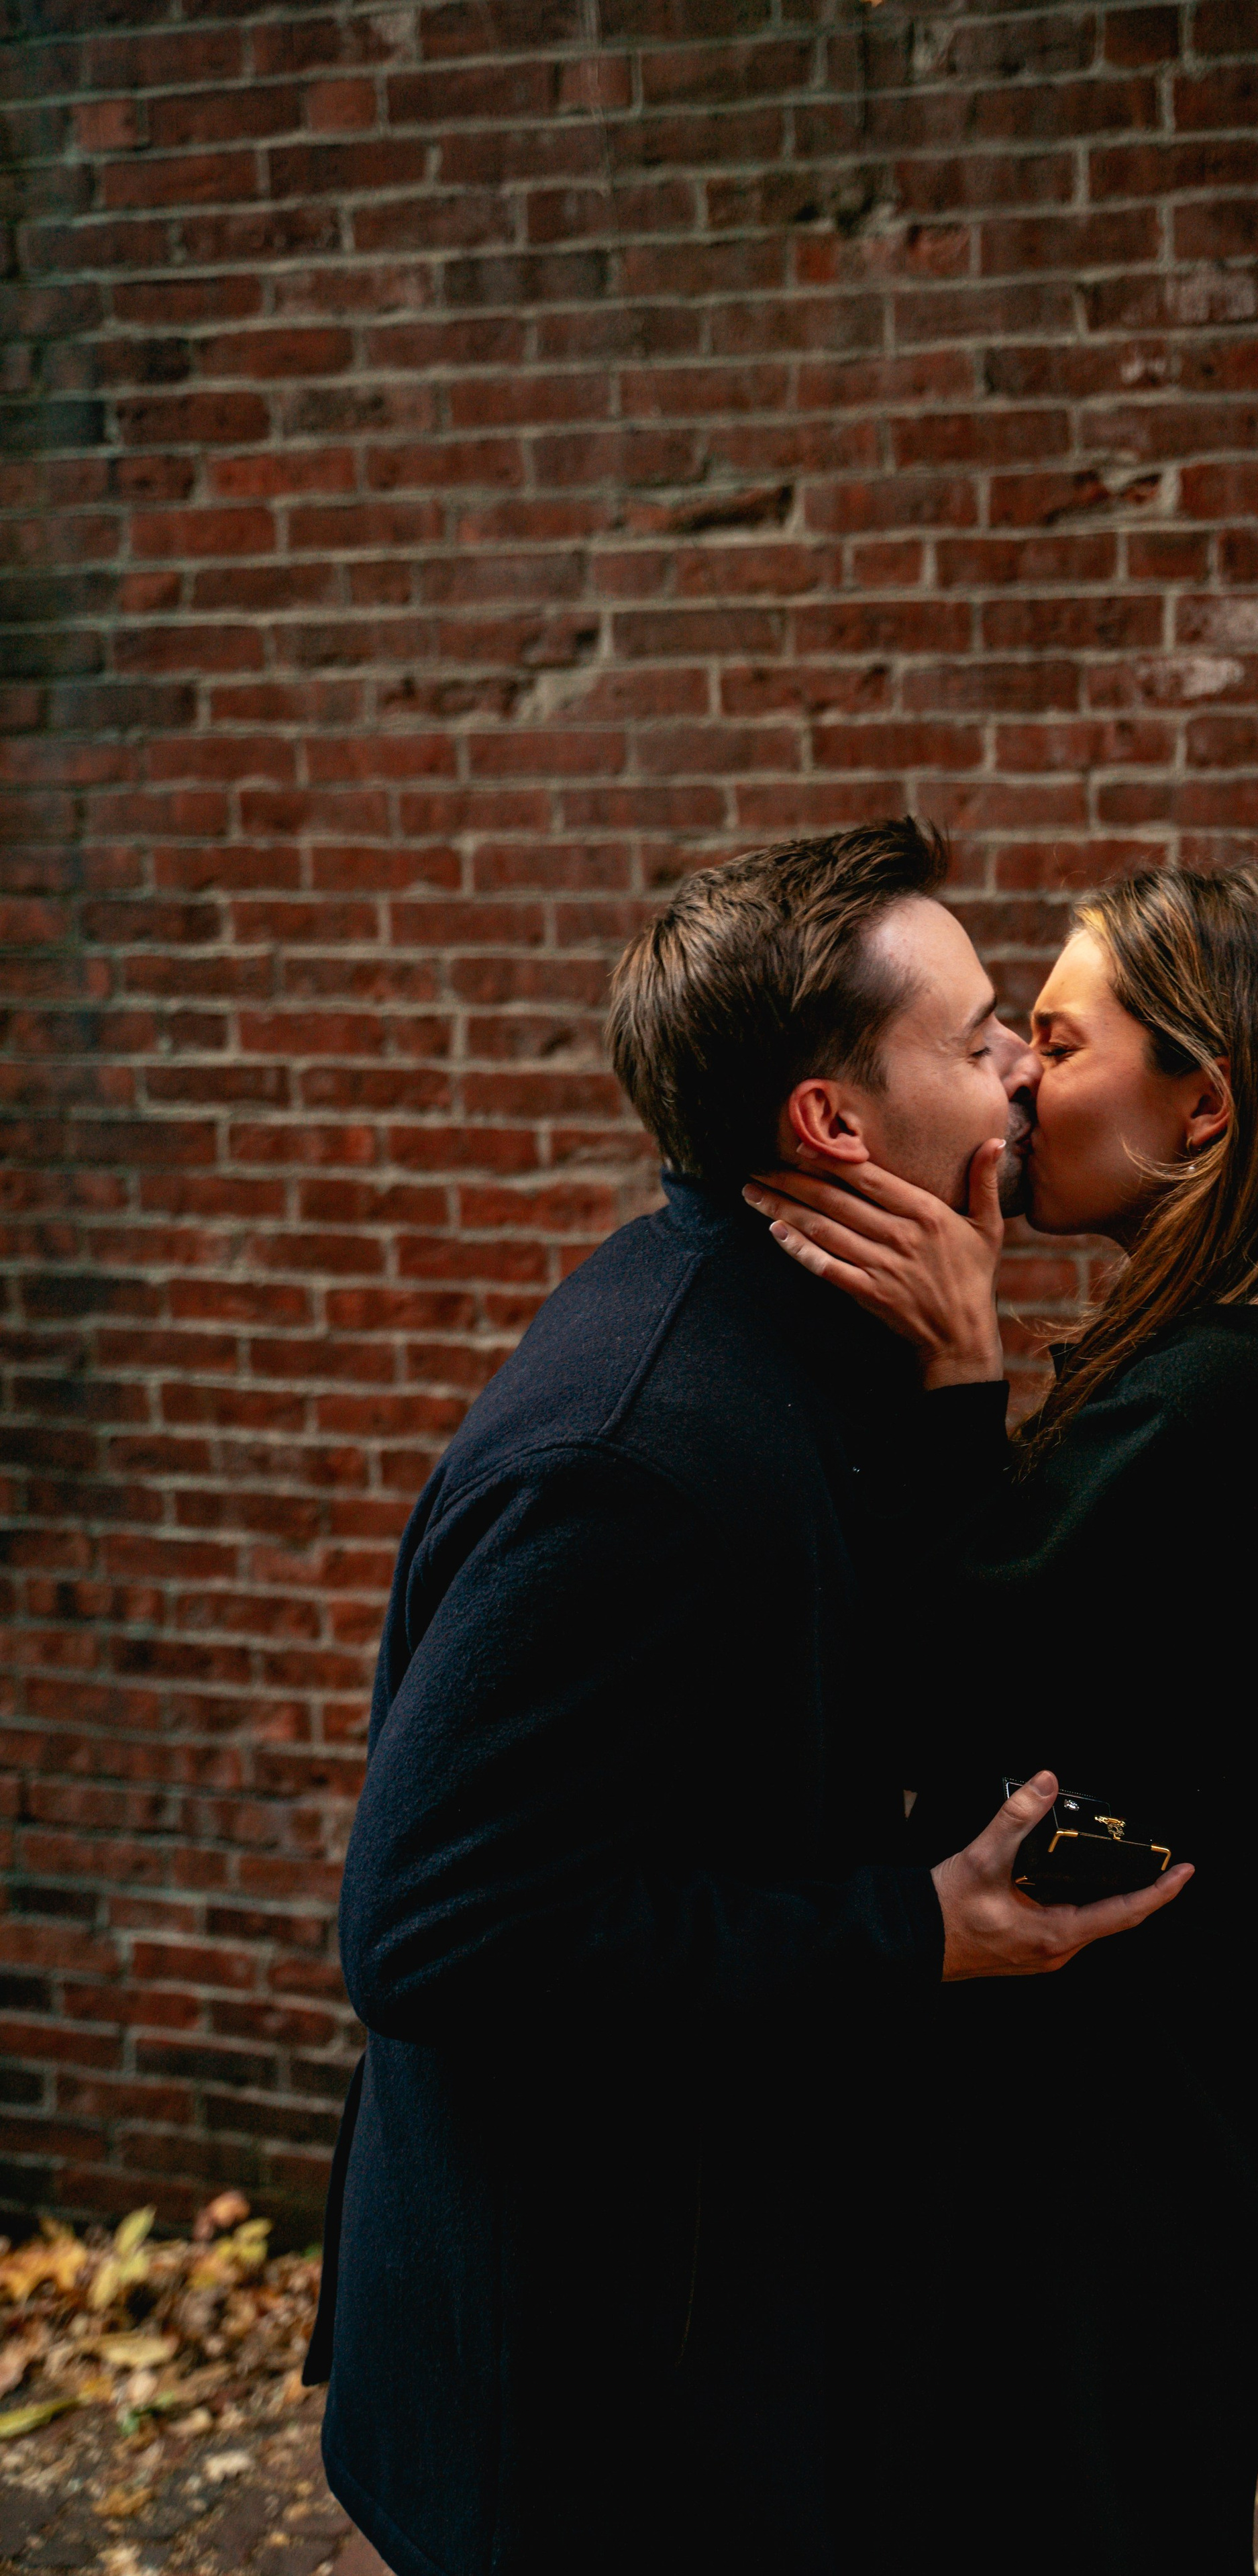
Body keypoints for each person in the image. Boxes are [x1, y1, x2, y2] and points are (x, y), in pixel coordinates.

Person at [303, 820, 1192, 2576]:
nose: (1023, 1063)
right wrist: (903, 1928)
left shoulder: (850, 1325)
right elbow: (428, 1933)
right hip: (591, 2401)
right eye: (982, 1030)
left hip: (737, 2329)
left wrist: (967, 1392)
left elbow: (871, 1685)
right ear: (832, 1125)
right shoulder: (624, 1451)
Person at [742, 860, 1258, 2572]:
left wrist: (957, 1369)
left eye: (1056, 1035)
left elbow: (953, 1668)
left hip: (1096, 2143)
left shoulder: (1224, 1391)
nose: (1019, 1079)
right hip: (1138, 2099)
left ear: (1205, 1103)